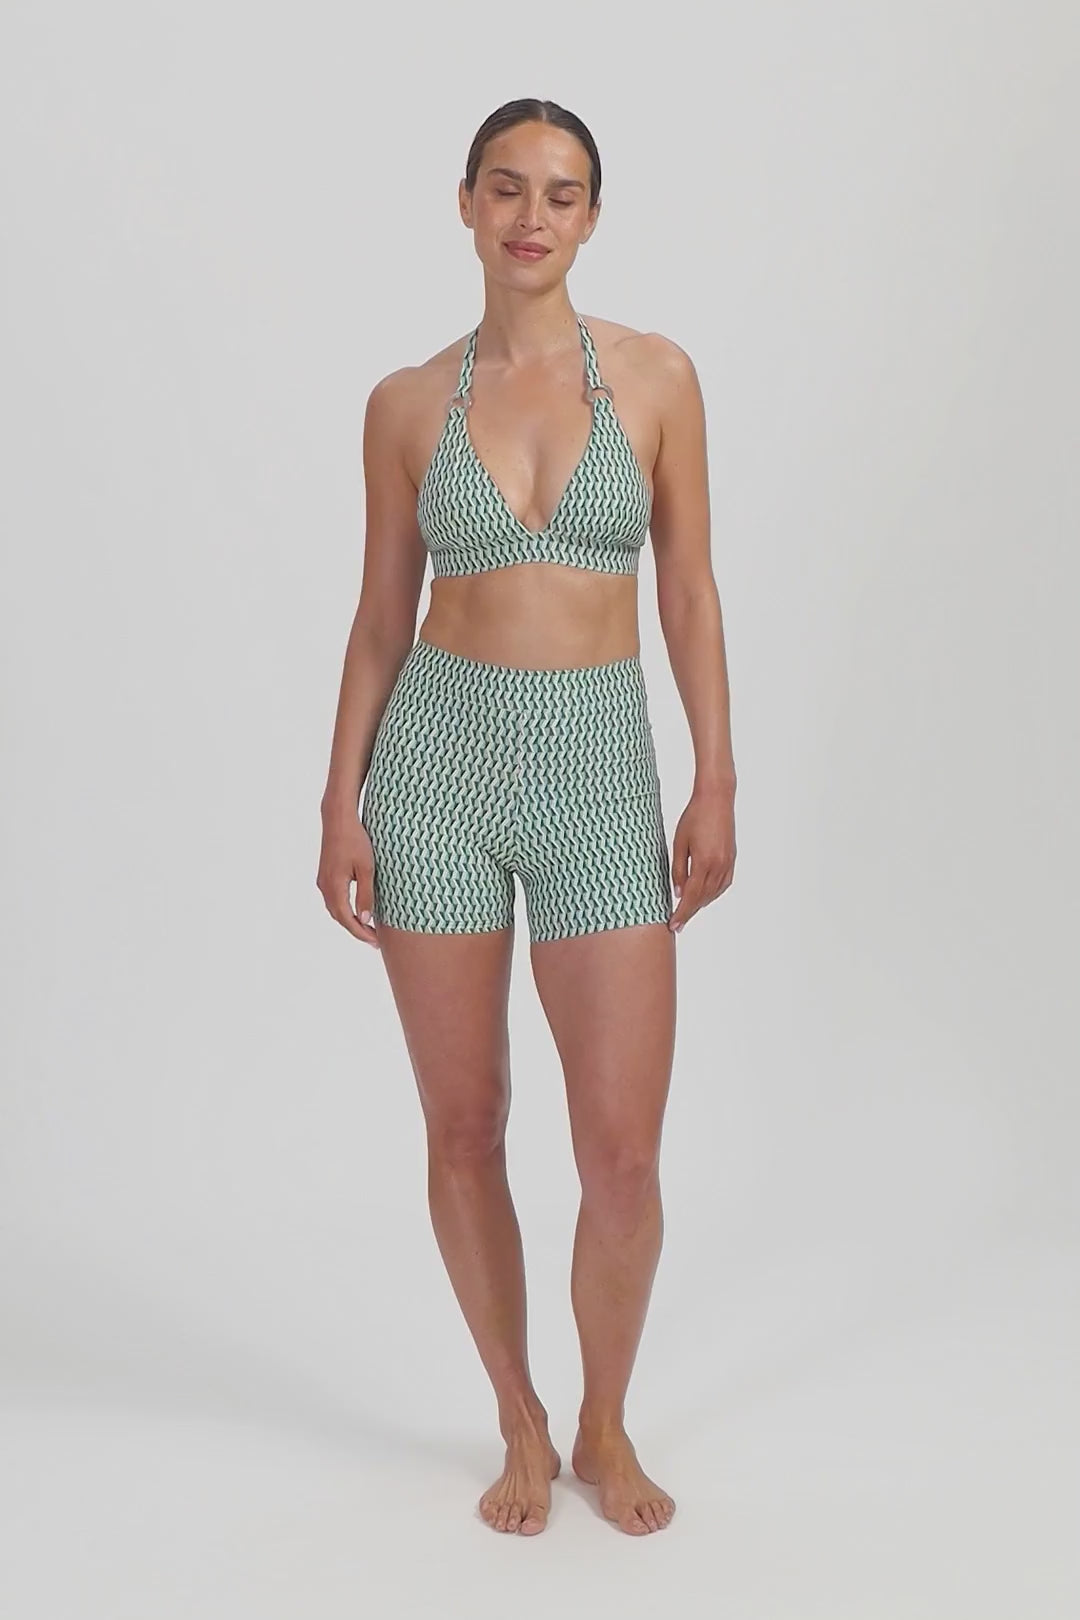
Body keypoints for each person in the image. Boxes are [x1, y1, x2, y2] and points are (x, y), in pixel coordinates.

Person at [317, 97, 736, 1537]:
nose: (532, 217)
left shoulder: (658, 379)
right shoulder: (404, 404)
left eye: (561, 193)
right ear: (466, 204)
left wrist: (717, 774)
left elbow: (689, 593)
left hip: (598, 767)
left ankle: (606, 1420)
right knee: (466, 1122)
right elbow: (381, 620)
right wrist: (342, 801)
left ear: (593, 217)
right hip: (435, 764)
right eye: (506, 188)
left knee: (621, 1152)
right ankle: (519, 1412)